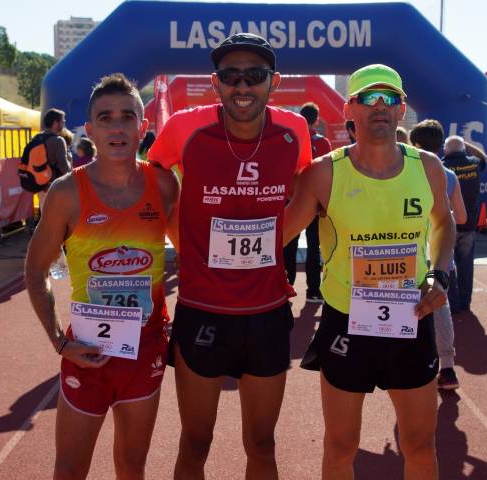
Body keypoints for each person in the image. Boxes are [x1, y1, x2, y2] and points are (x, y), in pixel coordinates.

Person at [148, 33, 311, 479]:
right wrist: (181, 238)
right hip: (203, 311)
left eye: (254, 76)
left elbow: (303, 188)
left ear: (273, 83)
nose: (243, 86)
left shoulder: (294, 130)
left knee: (262, 443)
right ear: (215, 83)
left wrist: (278, 236)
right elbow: (155, 177)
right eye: (230, 76)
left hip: (267, 313)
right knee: (195, 442)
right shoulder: (185, 126)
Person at [285, 64, 455, 478]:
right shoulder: (323, 173)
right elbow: (280, 234)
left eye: (390, 99)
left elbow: (444, 222)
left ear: (401, 111)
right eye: (368, 98)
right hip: (346, 322)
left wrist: (439, 275)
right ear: (349, 109)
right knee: (340, 446)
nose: (380, 106)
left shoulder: (428, 166)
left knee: (419, 444)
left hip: (411, 318)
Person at [25, 73, 179, 480]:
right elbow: (35, 269)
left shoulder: (163, 185)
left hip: (145, 350)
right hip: (87, 352)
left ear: (142, 128)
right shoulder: (65, 193)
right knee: (70, 468)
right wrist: (59, 341)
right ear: (89, 129)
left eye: (127, 117)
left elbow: (192, 254)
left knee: (132, 465)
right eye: (105, 118)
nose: (117, 127)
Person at [410, 120, 467, 390]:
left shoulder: (407, 173)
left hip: (416, 251)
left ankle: (409, 364)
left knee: (411, 304)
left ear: (415, 145)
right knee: (439, 306)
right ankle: (447, 368)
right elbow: (463, 216)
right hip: (440, 253)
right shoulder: (449, 175)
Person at [284, 102, 331, 302]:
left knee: (288, 244)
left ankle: (286, 286)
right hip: (314, 203)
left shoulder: (288, 141)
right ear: (317, 120)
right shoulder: (323, 143)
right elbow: (328, 174)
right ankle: (313, 290)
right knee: (314, 246)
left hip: (291, 200)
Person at [442, 135, 487, 311]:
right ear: (463, 149)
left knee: (447, 266)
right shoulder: (474, 162)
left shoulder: (441, 165)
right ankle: (465, 302)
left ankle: (452, 303)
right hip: (468, 224)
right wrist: (464, 144)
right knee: (466, 266)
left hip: (448, 223)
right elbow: (484, 157)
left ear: (446, 150)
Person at [33, 108, 71, 208]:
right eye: (62, 121)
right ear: (55, 123)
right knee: (60, 219)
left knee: (45, 216)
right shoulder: (58, 140)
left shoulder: (36, 138)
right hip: (56, 186)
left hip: (40, 185)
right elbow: (63, 166)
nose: (64, 123)